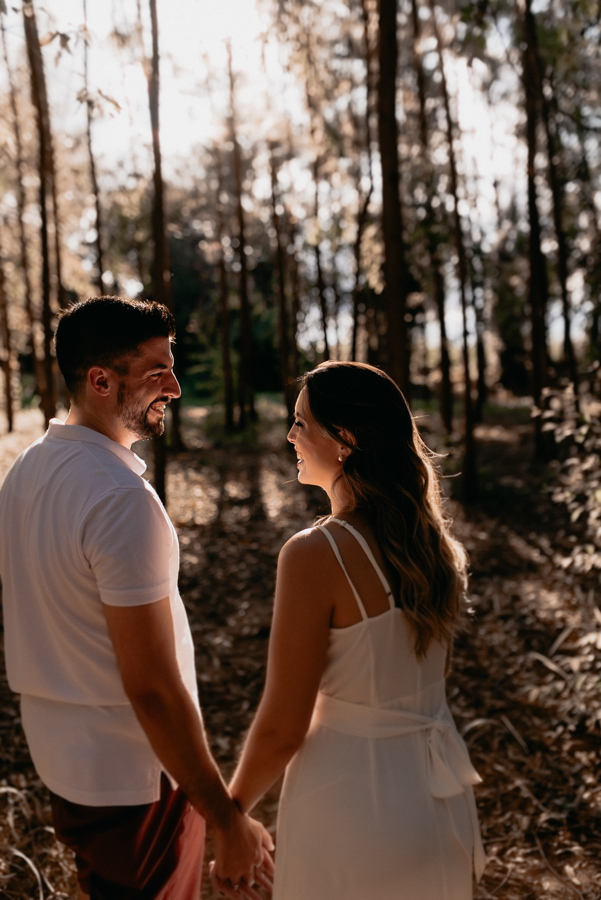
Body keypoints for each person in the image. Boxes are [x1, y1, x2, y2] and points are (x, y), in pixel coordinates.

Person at [0, 296, 273, 900]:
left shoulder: (24, 474)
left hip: (65, 765)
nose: (175, 386)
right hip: (134, 782)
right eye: (157, 371)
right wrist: (226, 818)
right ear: (101, 380)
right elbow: (151, 686)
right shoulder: (120, 500)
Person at [213, 360, 486, 900]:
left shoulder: (317, 554)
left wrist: (229, 813)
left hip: (352, 808)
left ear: (345, 439)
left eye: (301, 423)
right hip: (436, 804)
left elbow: (282, 727)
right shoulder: (437, 551)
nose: (290, 436)